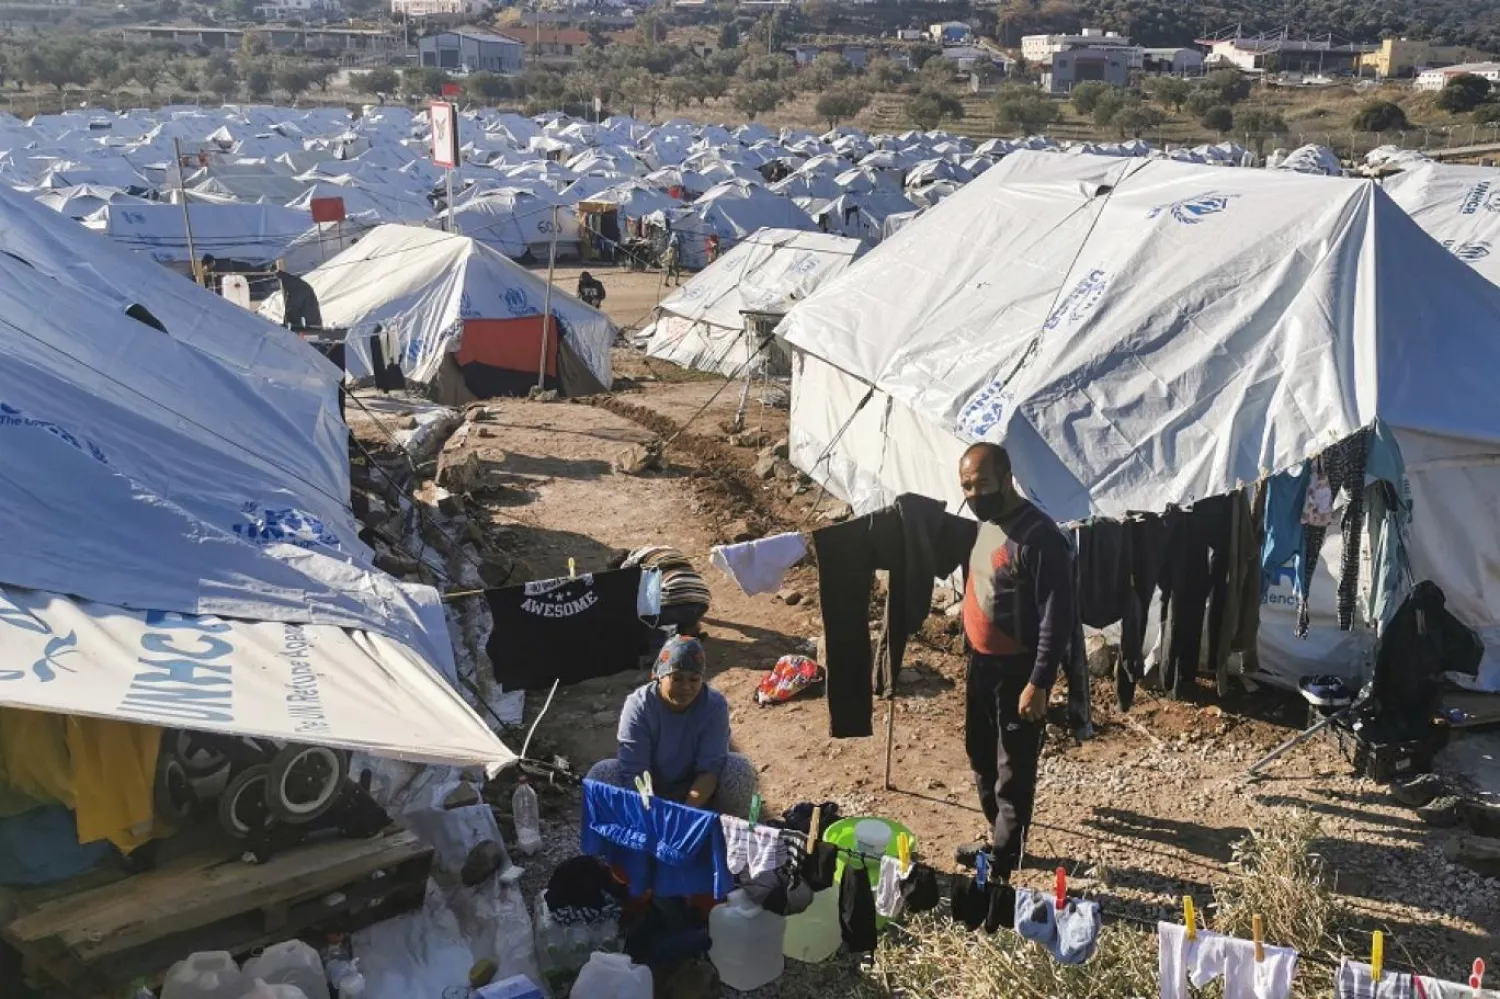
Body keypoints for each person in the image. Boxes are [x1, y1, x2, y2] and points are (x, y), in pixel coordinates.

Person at [957, 441, 1075, 883]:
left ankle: (1005, 861)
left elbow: (1056, 616)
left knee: (1013, 769)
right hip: (981, 666)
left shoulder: (1040, 537)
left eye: (981, 484)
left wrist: (1039, 681)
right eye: (966, 486)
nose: (973, 493)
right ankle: (997, 837)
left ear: (1006, 479)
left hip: (1018, 673)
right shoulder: (987, 524)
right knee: (979, 753)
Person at [585, 636, 757, 818]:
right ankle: (616, 839)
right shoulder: (639, 706)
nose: (686, 687)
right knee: (602, 774)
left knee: (739, 769)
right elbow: (635, 771)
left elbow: (710, 769)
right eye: (677, 678)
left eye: (694, 679)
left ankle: (725, 836)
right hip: (648, 794)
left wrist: (683, 815)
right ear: (660, 676)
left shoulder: (714, 706)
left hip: (696, 798)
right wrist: (653, 817)